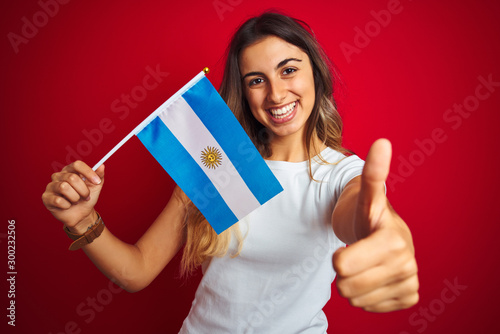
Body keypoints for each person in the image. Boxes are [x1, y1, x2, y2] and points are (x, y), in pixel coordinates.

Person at [42, 12, 418, 333]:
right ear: (244, 91)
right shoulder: (219, 162)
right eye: (256, 80)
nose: (275, 94)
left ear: (316, 75)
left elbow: (362, 213)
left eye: (288, 70)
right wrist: (82, 219)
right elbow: (136, 271)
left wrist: (386, 231)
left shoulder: (342, 174)